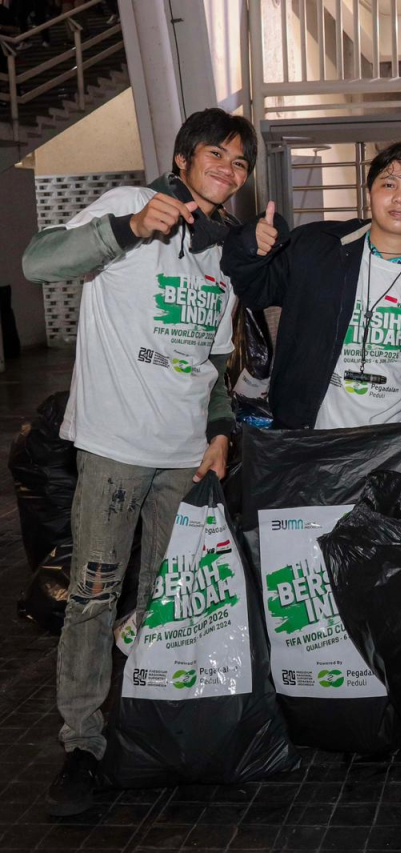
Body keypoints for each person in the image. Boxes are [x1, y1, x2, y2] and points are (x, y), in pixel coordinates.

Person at [22, 107, 256, 817]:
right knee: (93, 599)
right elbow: (38, 261)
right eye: (217, 154)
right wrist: (125, 231)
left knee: (163, 602)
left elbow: (215, 359)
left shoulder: (221, 250)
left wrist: (220, 429)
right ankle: (82, 744)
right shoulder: (128, 205)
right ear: (182, 160)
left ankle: (146, 722)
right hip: (116, 449)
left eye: (241, 163)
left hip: (184, 458)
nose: (230, 169)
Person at [221, 142, 401, 462]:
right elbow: (254, 288)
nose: (400, 197)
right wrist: (250, 246)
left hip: (396, 456)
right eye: (388, 184)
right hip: (308, 447)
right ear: (369, 192)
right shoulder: (317, 249)